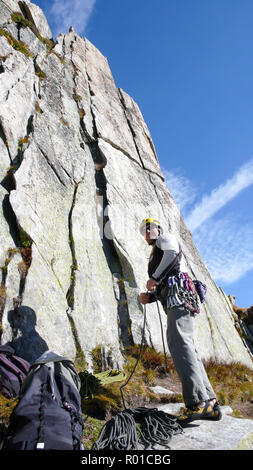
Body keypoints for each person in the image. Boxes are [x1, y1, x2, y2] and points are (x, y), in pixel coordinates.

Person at [139, 218, 222, 425]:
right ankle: (209, 402)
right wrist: (152, 296)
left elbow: (172, 255)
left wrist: (155, 278)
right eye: (144, 230)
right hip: (178, 298)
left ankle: (197, 402)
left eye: (150, 227)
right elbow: (169, 275)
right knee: (188, 347)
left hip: (179, 297)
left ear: (159, 229)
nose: (147, 231)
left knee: (179, 344)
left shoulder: (165, 239)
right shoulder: (156, 250)